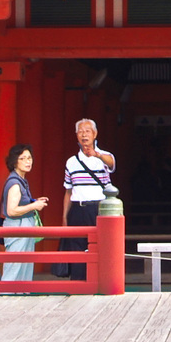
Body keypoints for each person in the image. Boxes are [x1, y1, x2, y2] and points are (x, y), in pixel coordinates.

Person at [59, 119, 115, 279]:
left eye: (87, 131)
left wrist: (96, 154)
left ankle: (100, 279)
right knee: (76, 247)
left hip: (98, 208)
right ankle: (78, 282)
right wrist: (64, 217)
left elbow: (111, 163)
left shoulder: (104, 157)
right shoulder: (71, 162)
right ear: (76, 135)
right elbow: (68, 191)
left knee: (101, 245)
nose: (84, 134)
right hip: (77, 208)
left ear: (95, 134)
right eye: (81, 131)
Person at [0, 144, 48, 283]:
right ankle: (7, 297)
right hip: (18, 226)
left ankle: (21, 296)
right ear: (15, 161)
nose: (28, 161)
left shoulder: (21, 180)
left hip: (24, 225)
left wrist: (34, 202)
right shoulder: (15, 183)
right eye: (23, 158)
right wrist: (34, 205)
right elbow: (11, 210)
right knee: (14, 268)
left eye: (30, 158)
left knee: (25, 267)